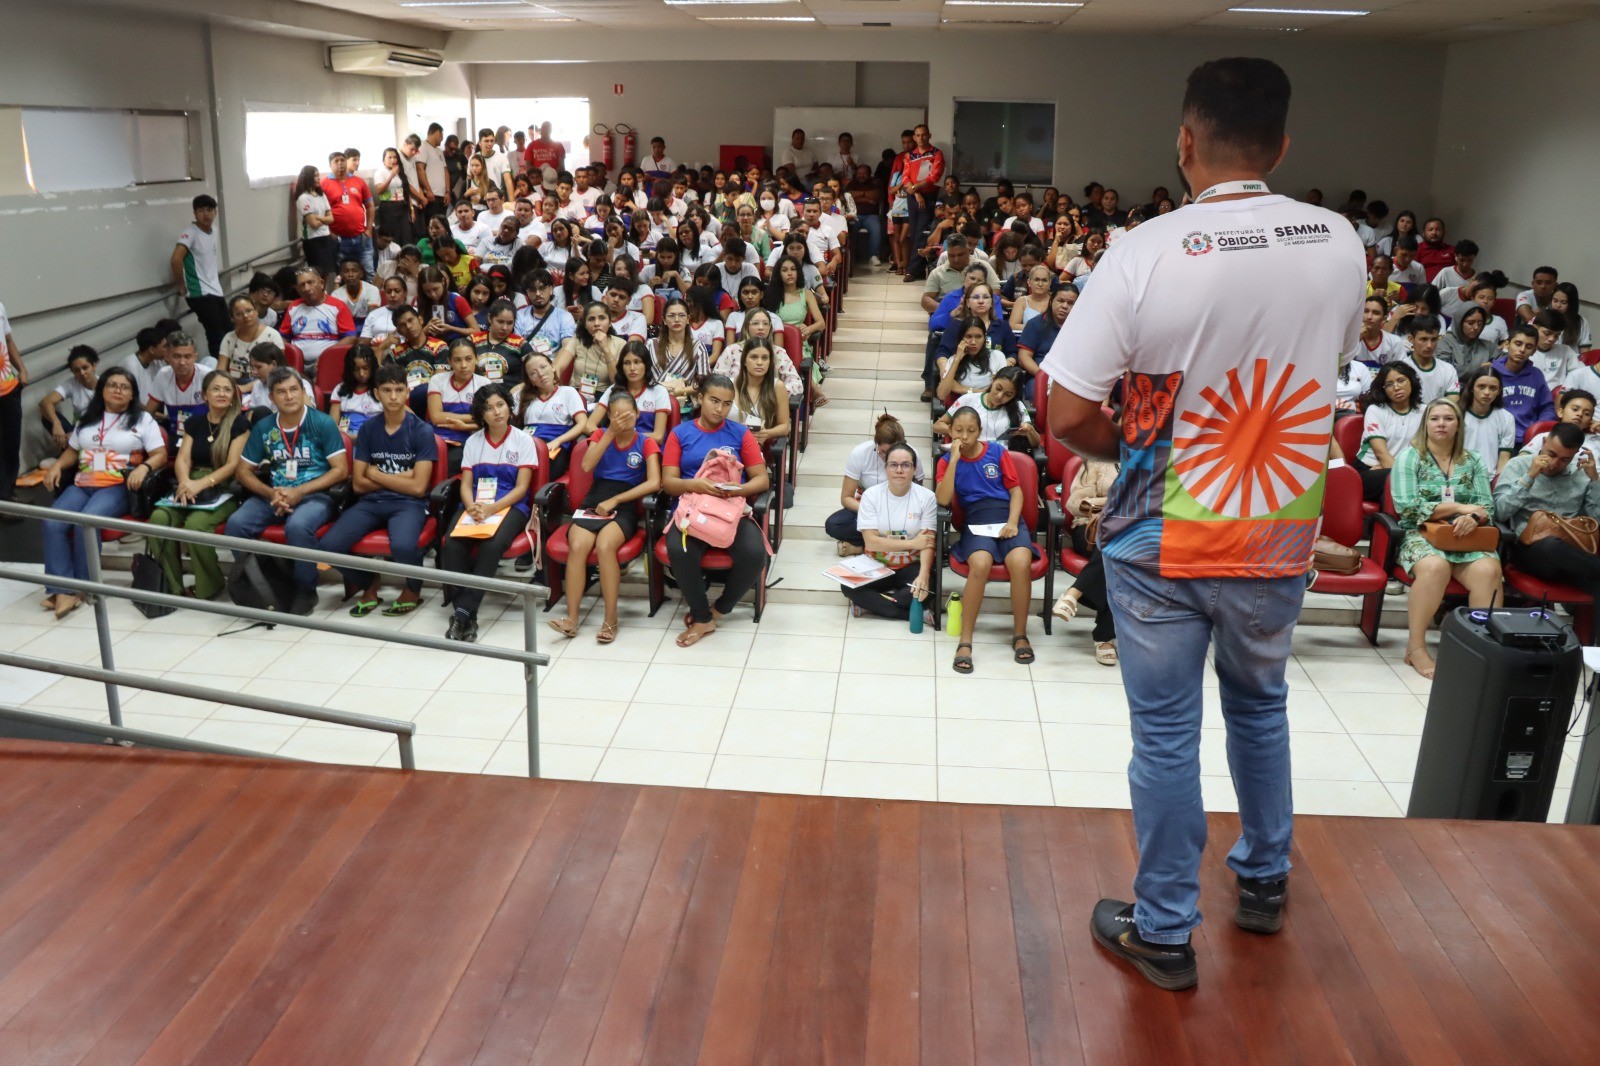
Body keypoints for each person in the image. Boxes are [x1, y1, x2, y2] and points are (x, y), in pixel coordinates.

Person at [1045, 57, 1366, 989]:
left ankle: (1167, 929)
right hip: (1276, 525)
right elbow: (1323, 363)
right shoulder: (1340, 239)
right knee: (1261, 706)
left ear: (1185, 142)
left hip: (1162, 533)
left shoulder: (1146, 250)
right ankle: (1264, 882)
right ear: (1282, 144)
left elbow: (1067, 415)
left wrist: (1143, 449)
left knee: (1168, 734)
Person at [38, 367, 166, 615]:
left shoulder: (142, 420)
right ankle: (60, 588)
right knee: (52, 520)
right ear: (102, 390)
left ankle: (82, 587)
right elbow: (73, 450)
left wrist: (143, 468)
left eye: (124, 387)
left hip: (119, 485)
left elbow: (160, 454)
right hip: (84, 482)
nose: (118, 390)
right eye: (112, 385)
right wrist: (56, 466)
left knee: (85, 522)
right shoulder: (88, 416)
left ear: (132, 395)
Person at [1389, 399, 1502, 678]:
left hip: (1466, 536)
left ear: (1458, 425)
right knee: (1435, 567)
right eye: (1435, 418)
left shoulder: (1472, 459)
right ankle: (1415, 648)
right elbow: (1408, 507)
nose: (1441, 424)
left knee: (1489, 570)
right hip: (1421, 533)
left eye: (1448, 419)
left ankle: (1480, 650)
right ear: (1425, 424)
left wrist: (1474, 518)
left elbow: (1486, 506)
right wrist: (1460, 508)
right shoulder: (1410, 457)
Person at [319, 364, 437, 618]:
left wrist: (376, 473)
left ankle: (413, 589)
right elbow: (359, 484)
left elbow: (418, 488)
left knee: (404, 547)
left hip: (409, 504)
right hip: (370, 502)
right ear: (377, 393)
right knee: (328, 546)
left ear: (407, 392)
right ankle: (368, 582)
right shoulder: (368, 429)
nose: (393, 396)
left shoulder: (422, 430)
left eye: (398, 390)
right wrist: (400, 476)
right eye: (386, 390)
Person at [661, 375, 771, 647]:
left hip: (729, 508)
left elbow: (761, 479)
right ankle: (701, 618)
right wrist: (696, 484)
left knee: (755, 553)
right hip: (693, 507)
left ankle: (720, 609)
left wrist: (737, 491)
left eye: (726, 403)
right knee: (679, 548)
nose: (719, 409)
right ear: (699, 398)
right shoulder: (680, 433)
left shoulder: (740, 433)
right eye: (714, 401)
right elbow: (669, 483)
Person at [230, 368, 349, 615]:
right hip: (274, 494)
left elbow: (340, 471)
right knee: (236, 525)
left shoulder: (322, 423)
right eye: (281, 392)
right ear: (271, 397)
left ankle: (306, 589)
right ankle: (262, 579)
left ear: (303, 392)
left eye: (294, 389)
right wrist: (271, 493)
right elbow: (242, 471)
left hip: (315, 495)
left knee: (297, 527)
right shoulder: (264, 427)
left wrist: (300, 491)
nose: (289, 396)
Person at [547, 391, 661, 644]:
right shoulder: (600, 435)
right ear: (608, 416)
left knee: (605, 545)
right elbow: (586, 466)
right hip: (595, 497)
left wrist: (618, 500)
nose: (622, 421)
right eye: (616, 416)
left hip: (625, 502)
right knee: (577, 545)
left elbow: (654, 482)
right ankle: (572, 619)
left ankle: (611, 620)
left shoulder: (646, 442)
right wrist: (609, 433)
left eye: (628, 415)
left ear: (638, 415)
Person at [935, 405, 1039, 672]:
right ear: (950, 432)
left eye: (971, 431)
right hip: (976, 520)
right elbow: (943, 499)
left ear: (980, 432)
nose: (965, 436)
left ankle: (1020, 635)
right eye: (959, 431)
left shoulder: (996, 452)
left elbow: (1016, 492)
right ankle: (965, 640)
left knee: (1021, 561)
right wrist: (955, 460)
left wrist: (1013, 523)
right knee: (979, 564)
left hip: (1007, 516)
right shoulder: (946, 462)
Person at [439, 383, 537, 642]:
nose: (496, 412)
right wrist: (471, 506)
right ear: (481, 414)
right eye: (489, 408)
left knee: (491, 547)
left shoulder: (523, 440)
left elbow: (522, 488)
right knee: (451, 545)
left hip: (510, 506)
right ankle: (467, 617)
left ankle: (461, 614)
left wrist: (493, 508)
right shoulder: (473, 441)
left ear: (509, 406)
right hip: (476, 505)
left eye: (501, 405)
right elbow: (466, 484)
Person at [1495, 423, 1600, 644]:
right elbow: (1499, 511)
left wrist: (1595, 482)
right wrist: (1529, 477)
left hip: (1574, 554)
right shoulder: (1518, 465)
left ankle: (1594, 659)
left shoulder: (1582, 475)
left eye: (1564, 459)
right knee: (1552, 546)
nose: (1554, 464)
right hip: (1530, 549)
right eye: (1552, 454)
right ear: (1543, 443)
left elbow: (1594, 522)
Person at [146, 370, 247, 600]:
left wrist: (201, 484)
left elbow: (232, 465)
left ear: (233, 396)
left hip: (224, 486)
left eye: (227, 389)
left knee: (196, 524)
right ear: (204, 395)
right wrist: (185, 483)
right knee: (159, 518)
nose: (222, 393)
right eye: (216, 389)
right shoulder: (194, 423)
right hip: (190, 481)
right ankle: (172, 587)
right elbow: (182, 459)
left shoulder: (240, 424)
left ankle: (209, 586)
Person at [846, 442, 935, 619]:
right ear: (885, 468)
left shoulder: (927, 497)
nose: (899, 470)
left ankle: (873, 605)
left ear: (914, 468)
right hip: (876, 565)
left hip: (910, 566)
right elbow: (871, 541)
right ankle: (909, 614)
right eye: (893, 465)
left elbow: (927, 543)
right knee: (848, 586)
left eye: (906, 465)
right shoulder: (871, 496)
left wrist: (924, 574)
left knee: (926, 588)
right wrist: (911, 543)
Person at [1051, 455, 1120, 665]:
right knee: (1115, 551)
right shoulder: (1096, 461)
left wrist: (1110, 506)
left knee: (1117, 552)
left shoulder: (1146, 462)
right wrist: (1110, 507)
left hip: (1125, 530)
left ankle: (1073, 593)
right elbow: (1074, 503)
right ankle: (1104, 638)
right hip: (1089, 528)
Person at [1353, 362, 1423, 502]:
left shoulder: (1425, 411)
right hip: (1369, 470)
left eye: (1401, 380)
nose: (1396, 387)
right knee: (1396, 481)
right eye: (1389, 384)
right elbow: (1381, 453)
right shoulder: (1376, 410)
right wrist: (1403, 474)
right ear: (1383, 389)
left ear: (1412, 381)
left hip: (1404, 469)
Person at [171, 194, 228, 358]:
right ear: (195, 213)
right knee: (217, 335)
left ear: (215, 212)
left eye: (209, 210)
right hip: (199, 293)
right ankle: (220, 372)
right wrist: (181, 285)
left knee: (229, 331)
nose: (206, 214)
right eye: (201, 210)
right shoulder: (190, 233)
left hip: (215, 290)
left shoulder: (214, 230)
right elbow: (175, 259)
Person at [513, 350, 586, 478]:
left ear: (552, 367)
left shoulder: (568, 392)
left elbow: (582, 423)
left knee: (538, 473)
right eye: (533, 373)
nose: (540, 374)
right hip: (526, 445)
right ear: (529, 379)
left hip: (555, 446)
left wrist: (558, 441)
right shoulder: (522, 395)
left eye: (543, 367)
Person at [586, 341, 672, 446]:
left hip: (647, 448)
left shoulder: (659, 391)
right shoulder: (613, 390)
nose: (632, 368)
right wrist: (607, 438)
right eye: (627, 363)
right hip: (615, 446)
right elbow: (589, 425)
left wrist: (625, 438)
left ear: (646, 365)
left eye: (637, 362)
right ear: (621, 367)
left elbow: (658, 436)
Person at [428, 338, 490, 476]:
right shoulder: (437, 380)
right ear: (449, 362)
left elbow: (488, 421)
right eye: (457, 360)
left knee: (445, 465)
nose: (463, 365)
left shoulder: (484, 384)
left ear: (476, 359)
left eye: (468, 359)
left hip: (468, 439)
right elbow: (436, 417)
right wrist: (471, 417)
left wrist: (463, 426)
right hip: (436, 437)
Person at [278, 265, 355, 375]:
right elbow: (283, 337)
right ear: (297, 289)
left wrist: (327, 355)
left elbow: (351, 338)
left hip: (329, 362)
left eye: (310, 283)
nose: (307, 288)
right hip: (297, 364)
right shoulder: (293, 307)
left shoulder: (338, 306)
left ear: (322, 284)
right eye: (302, 285)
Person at [1492, 324, 1555, 443]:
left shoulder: (1536, 375)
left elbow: (1547, 407)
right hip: (1496, 437)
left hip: (1528, 439)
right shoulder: (1492, 373)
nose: (1522, 350)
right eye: (1518, 343)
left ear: (1533, 351)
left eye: (1529, 346)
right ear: (1507, 344)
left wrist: (1537, 430)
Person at [898, 125, 945, 282]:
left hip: (929, 195)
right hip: (914, 197)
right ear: (914, 137)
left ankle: (913, 269)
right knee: (914, 231)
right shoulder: (909, 155)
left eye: (924, 135)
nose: (921, 138)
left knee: (921, 232)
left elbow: (935, 176)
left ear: (929, 135)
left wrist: (917, 188)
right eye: (918, 135)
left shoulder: (936, 153)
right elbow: (905, 177)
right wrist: (916, 193)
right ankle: (915, 267)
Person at [146, 331, 208, 442]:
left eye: (187, 357)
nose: (182, 362)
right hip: (176, 435)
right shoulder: (163, 375)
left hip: (204, 435)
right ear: (167, 357)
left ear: (195, 357)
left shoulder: (207, 376)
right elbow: (147, 414)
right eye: (176, 356)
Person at [729, 339, 790, 448]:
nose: (759, 362)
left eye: (765, 358)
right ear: (744, 361)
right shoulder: (729, 385)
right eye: (754, 357)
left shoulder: (777, 387)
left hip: (755, 449)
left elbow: (785, 426)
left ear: (770, 362)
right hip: (727, 443)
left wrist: (767, 433)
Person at [323, 151, 374, 278]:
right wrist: (329, 232)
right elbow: (320, 212)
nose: (340, 163)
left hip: (362, 237)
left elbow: (370, 206)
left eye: (342, 160)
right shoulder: (324, 184)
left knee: (368, 273)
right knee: (343, 276)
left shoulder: (359, 181)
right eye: (336, 161)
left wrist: (368, 229)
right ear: (330, 165)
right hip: (339, 240)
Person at [1459, 364, 1515, 477]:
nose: (1487, 392)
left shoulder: (1506, 418)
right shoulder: (1456, 414)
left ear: (1499, 391)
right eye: (1481, 387)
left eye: (1493, 388)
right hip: (1458, 477)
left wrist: (1497, 485)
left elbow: (1504, 459)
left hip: (1489, 480)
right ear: (1471, 388)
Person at [40, 345, 99, 449]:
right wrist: (56, 423)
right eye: (77, 370)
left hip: (99, 436)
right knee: (47, 416)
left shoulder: (107, 386)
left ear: (94, 366)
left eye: (85, 368)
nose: (82, 373)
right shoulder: (72, 384)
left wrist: (77, 436)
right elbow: (45, 402)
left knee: (98, 462)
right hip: (77, 431)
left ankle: (75, 454)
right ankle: (70, 451)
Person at [219, 294, 284, 380]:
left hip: (264, 384)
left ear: (256, 311)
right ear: (232, 318)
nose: (245, 316)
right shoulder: (229, 338)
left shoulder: (272, 335)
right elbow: (221, 370)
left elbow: (278, 372)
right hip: (234, 386)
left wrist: (244, 388)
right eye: (239, 314)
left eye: (249, 311)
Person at [1398, 315, 1457, 403]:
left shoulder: (1448, 370)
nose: (1429, 345)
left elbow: (1453, 402)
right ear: (1411, 339)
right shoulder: (1400, 370)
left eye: (1433, 339)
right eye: (1423, 339)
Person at [294, 165, 337, 279]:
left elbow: (331, 219)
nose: (319, 178)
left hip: (325, 237)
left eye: (319, 175)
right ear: (308, 177)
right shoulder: (303, 198)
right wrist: (324, 219)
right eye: (315, 176)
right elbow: (313, 224)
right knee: (317, 274)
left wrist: (319, 218)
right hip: (313, 240)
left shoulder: (322, 196)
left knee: (328, 273)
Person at [329, 344, 381, 436]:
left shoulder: (382, 389)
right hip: (346, 438)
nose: (361, 374)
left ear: (372, 367)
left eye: (365, 368)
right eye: (356, 369)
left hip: (376, 436)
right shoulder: (340, 389)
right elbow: (332, 425)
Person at [1438, 305, 1496, 369]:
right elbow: (1444, 372)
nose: (1476, 327)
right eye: (1470, 323)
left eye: (1480, 323)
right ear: (1459, 322)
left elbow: (1505, 363)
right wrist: (1479, 370)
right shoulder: (1444, 344)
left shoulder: (1487, 345)